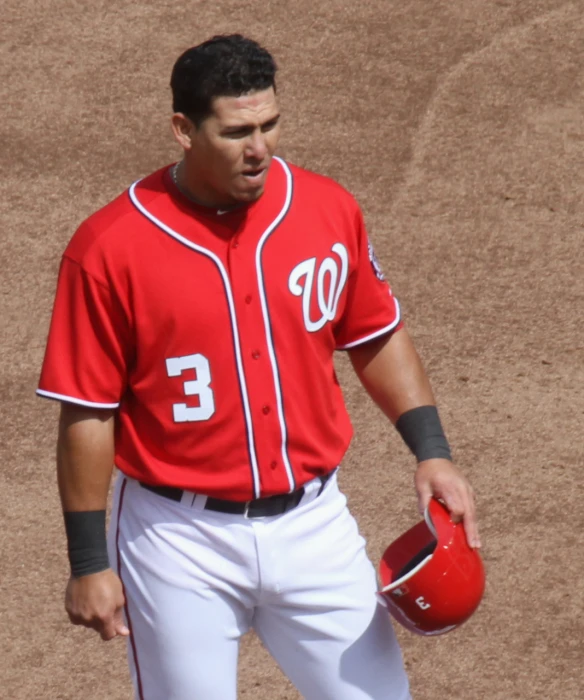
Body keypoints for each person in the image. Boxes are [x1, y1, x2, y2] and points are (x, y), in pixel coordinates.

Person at [38, 34, 480, 700]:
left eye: (270, 125)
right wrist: (89, 563)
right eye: (236, 131)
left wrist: (432, 452)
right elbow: (88, 411)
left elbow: (375, 336)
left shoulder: (326, 209)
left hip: (314, 525)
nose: (260, 148)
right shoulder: (108, 248)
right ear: (184, 129)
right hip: (177, 540)